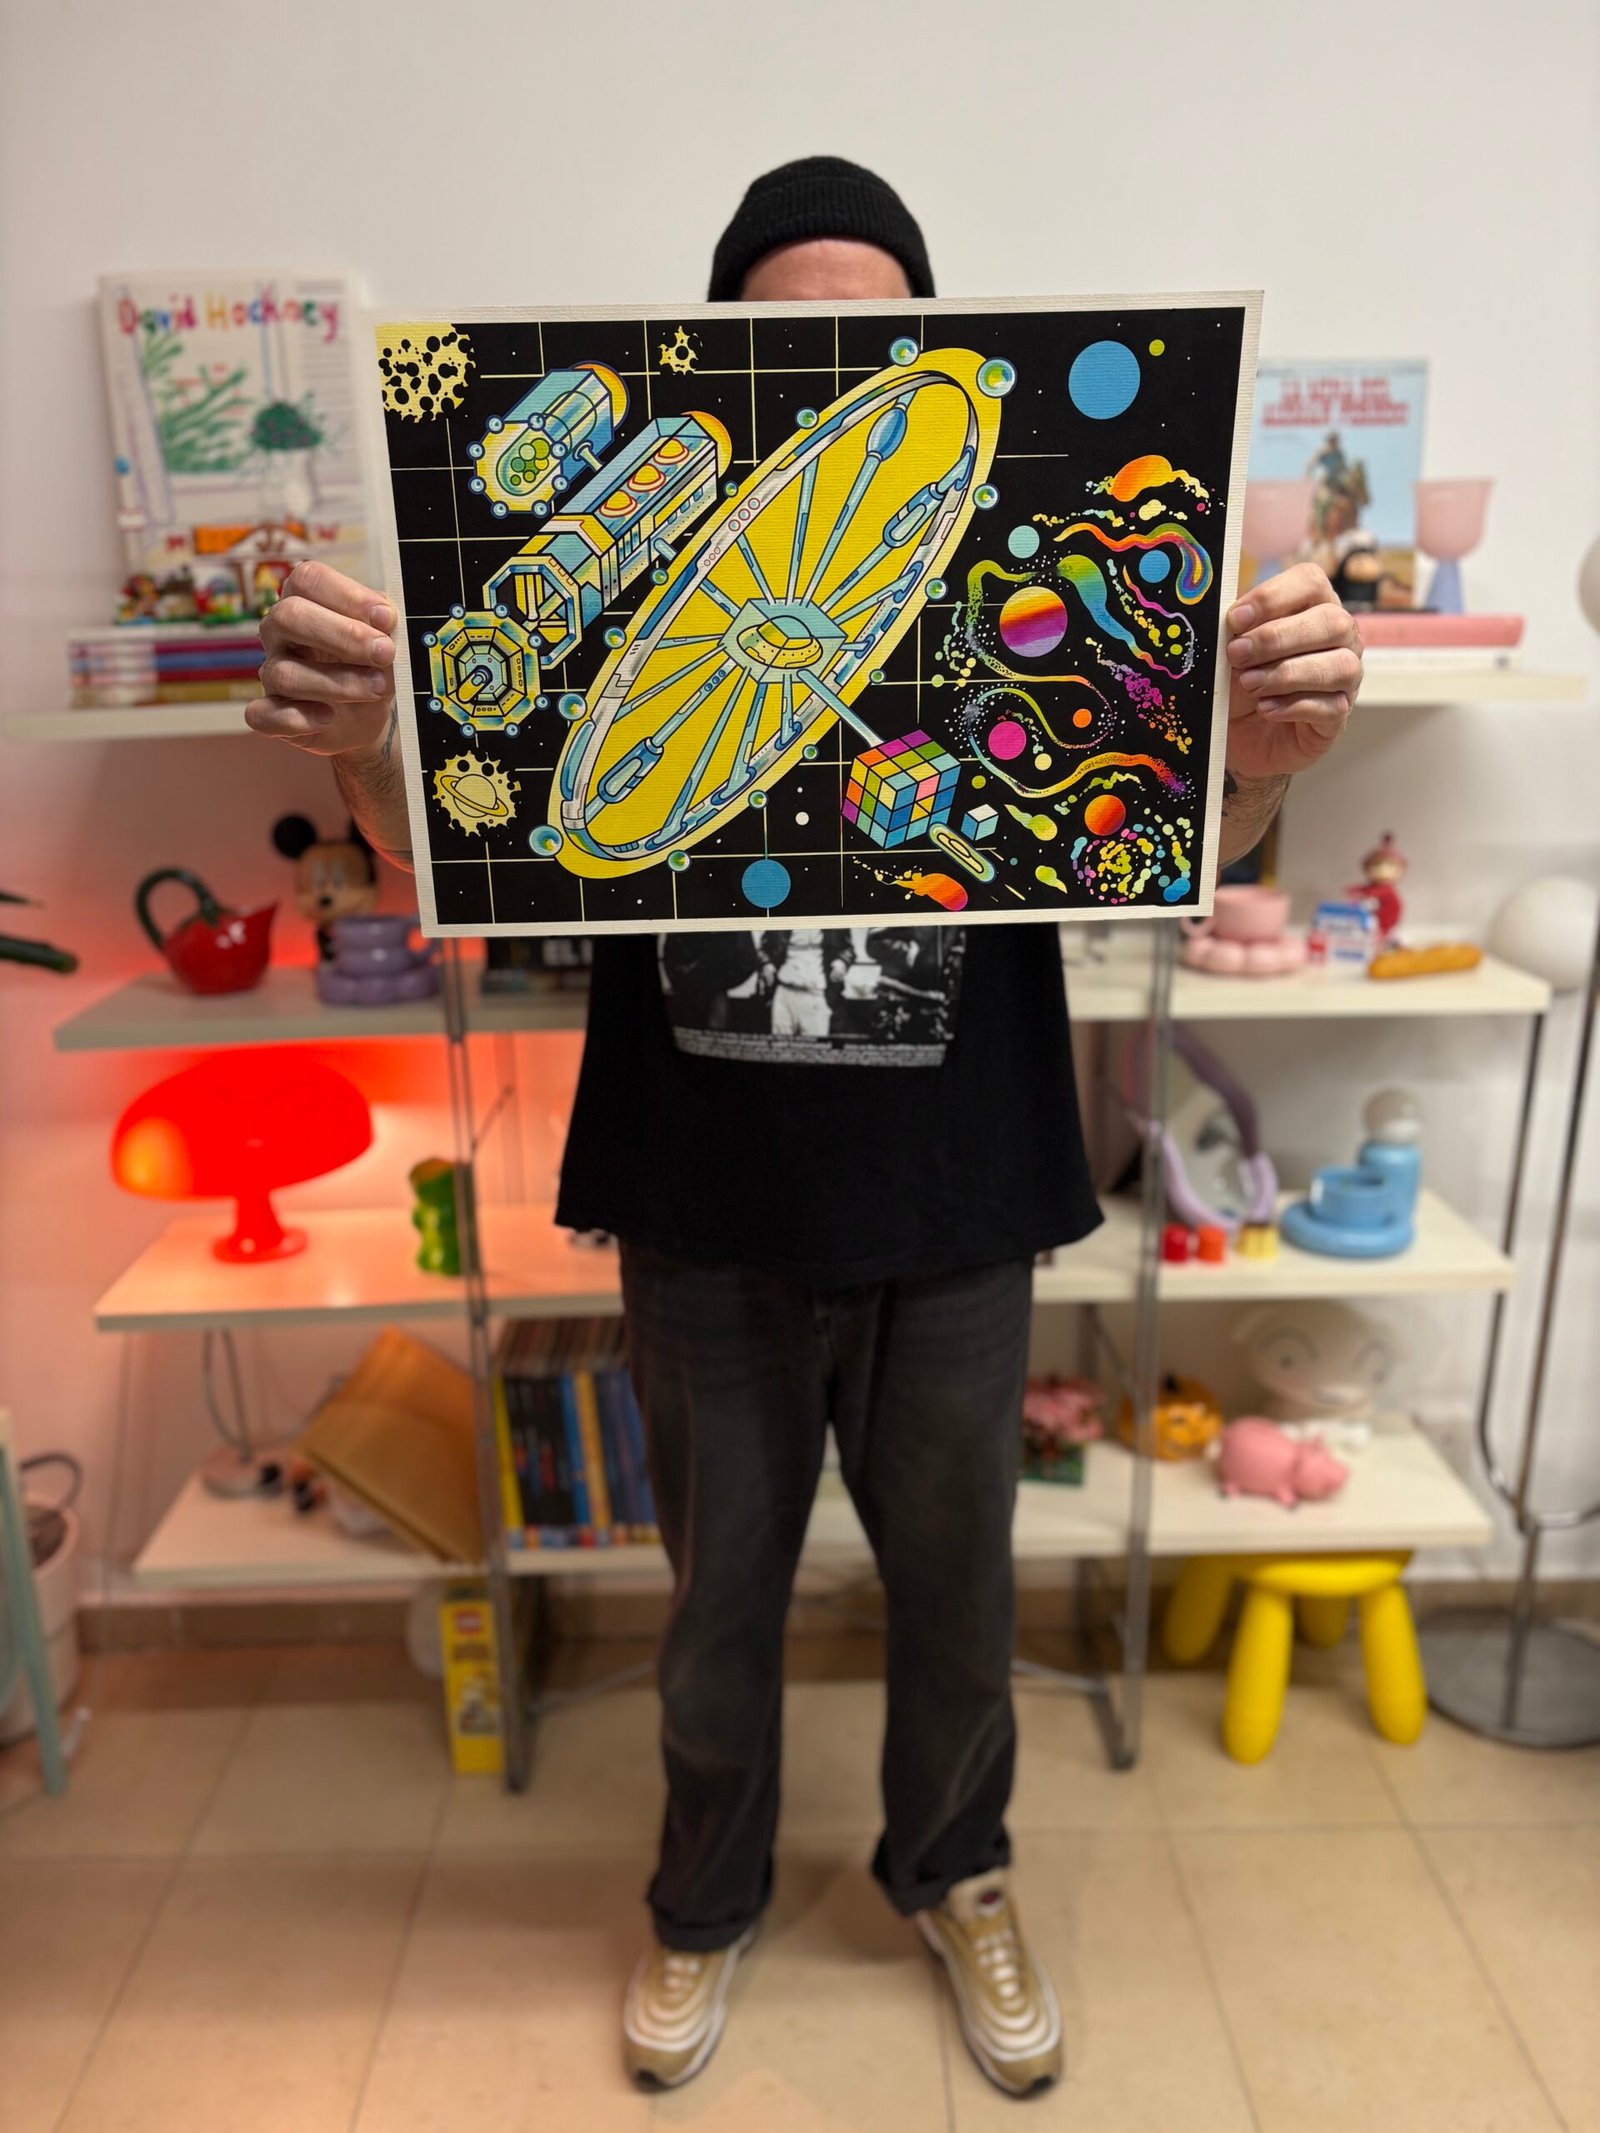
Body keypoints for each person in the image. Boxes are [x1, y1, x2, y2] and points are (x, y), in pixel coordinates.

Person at [248, 157, 1362, 2101]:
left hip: (961, 1196)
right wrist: (360, 743)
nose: (833, 364)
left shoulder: (1026, 576)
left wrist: (1253, 769)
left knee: (958, 1599)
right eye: (786, 336)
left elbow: (1171, 834)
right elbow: (451, 854)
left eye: (876, 334)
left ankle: (957, 1870)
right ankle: (703, 1899)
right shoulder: (622, 559)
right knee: (714, 1608)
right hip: (704, 1201)